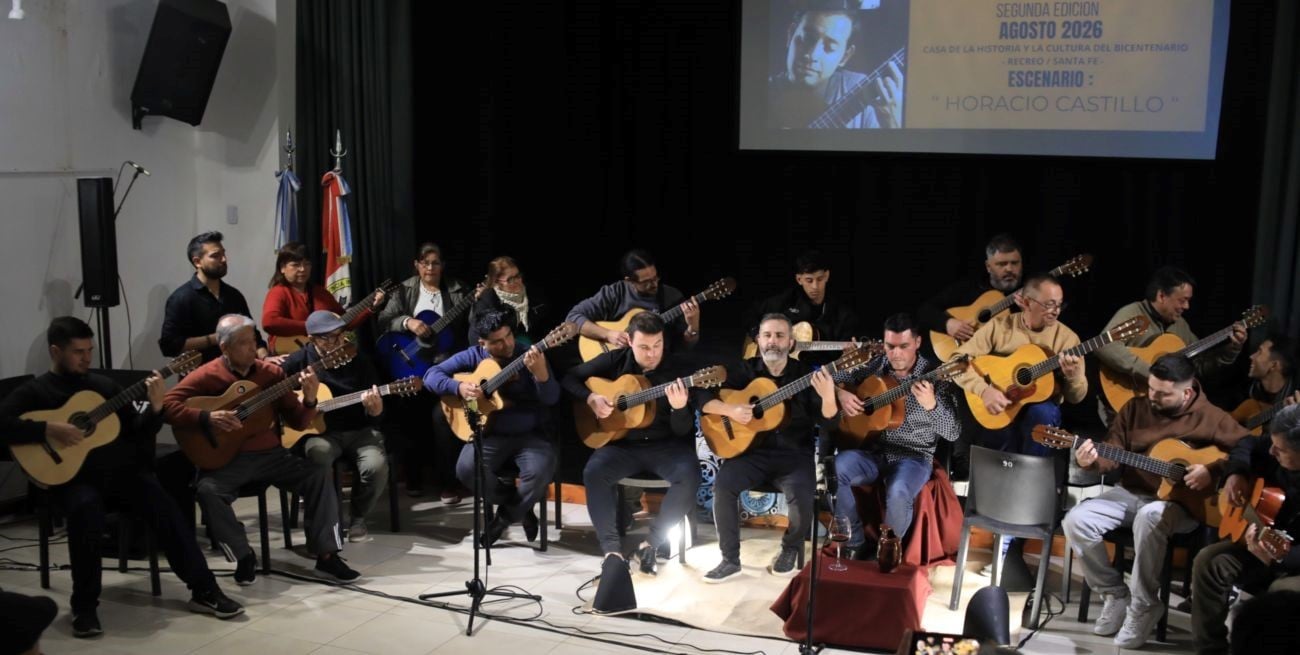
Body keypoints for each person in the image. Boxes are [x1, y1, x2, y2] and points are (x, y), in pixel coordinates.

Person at [0, 317, 242, 638]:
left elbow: (136, 432)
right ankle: (84, 608)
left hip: (119, 476)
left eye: (90, 350)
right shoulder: (36, 391)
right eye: (78, 352)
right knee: (85, 511)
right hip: (70, 481)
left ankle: (204, 590)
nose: (87, 358)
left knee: (166, 506)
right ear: (55, 351)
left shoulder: (103, 387)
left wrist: (155, 410)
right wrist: (47, 428)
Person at [1062, 355, 1249, 649]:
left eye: (1163, 393)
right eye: (1151, 388)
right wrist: (1091, 460)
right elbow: (1113, 450)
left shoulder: (1212, 418)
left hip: (1184, 506)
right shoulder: (1135, 408)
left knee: (1150, 515)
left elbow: (1248, 448)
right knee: (1076, 520)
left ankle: (1144, 605)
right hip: (1130, 493)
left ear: (1187, 392)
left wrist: (1211, 470)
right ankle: (1114, 592)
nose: (1153, 397)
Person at [162, 314, 359, 584]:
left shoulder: (272, 374)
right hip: (227, 458)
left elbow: (298, 421)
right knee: (207, 491)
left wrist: (310, 398)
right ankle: (243, 556)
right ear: (224, 348)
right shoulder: (206, 375)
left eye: (253, 341)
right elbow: (167, 405)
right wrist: (207, 418)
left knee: (318, 475)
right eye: (243, 343)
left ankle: (327, 556)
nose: (252, 348)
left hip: (271, 455)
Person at [699, 313, 840, 582]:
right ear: (759, 340)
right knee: (723, 487)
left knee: (802, 503)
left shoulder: (806, 377)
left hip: (793, 456)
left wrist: (828, 397)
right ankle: (730, 559)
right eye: (767, 336)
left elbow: (829, 424)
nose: (772, 342)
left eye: (779, 336)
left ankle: (790, 548)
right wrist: (731, 409)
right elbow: (702, 396)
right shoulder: (744, 370)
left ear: (791, 342)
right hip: (750, 453)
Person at [562, 312, 701, 574]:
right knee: (594, 472)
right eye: (644, 347)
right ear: (630, 342)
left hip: (665, 446)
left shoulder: (677, 370)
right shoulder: (616, 359)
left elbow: (682, 430)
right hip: (623, 445)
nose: (652, 354)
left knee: (691, 475)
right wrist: (591, 397)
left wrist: (680, 409)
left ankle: (651, 543)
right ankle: (611, 550)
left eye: (657, 345)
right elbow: (569, 378)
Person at [424, 310, 559, 547]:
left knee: (539, 473)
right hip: (489, 434)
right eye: (497, 341)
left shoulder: (528, 355)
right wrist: (459, 388)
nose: (506, 344)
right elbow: (430, 376)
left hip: (530, 434)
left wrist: (541, 375)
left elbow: (552, 399)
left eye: (508, 336)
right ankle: (521, 508)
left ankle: (503, 518)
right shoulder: (473, 355)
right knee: (466, 469)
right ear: (482, 344)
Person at [833, 313, 959, 559]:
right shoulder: (877, 364)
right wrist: (840, 393)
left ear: (918, 343)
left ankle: (888, 550)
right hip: (874, 451)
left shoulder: (937, 376)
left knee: (899, 490)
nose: (896, 353)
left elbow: (953, 433)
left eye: (904, 346)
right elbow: (836, 378)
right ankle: (854, 542)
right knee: (838, 467)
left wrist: (932, 405)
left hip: (914, 456)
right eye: (890, 346)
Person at [375, 242, 472, 502]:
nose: (430, 267)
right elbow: (384, 320)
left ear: (443, 265)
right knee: (410, 420)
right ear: (416, 265)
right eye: (425, 262)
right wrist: (409, 321)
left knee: (444, 420)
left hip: (445, 366)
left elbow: (470, 327)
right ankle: (414, 476)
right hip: (411, 365)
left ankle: (448, 483)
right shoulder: (405, 289)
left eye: (435, 262)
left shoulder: (459, 290)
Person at [281, 311, 389, 542]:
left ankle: (358, 518)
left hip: (358, 430)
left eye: (339, 336)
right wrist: (304, 404)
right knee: (317, 458)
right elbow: (275, 400)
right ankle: (327, 519)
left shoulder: (359, 360)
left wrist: (375, 411)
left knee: (376, 466)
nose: (336, 343)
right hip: (319, 434)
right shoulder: (297, 362)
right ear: (311, 339)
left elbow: (377, 415)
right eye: (327, 338)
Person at [1094, 266, 1245, 421]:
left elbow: (1199, 367)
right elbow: (1103, 345)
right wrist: (1150, 373)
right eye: (1182, 300)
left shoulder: (1180, 326)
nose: (1187, 307)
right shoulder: (1133, 313)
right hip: (1124, 408)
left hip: (1159, 413)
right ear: (1161, 296)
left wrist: (1230, 351)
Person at [767, 0, 903, 129]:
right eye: (808, 38)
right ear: (790, 35)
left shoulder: (861, 89)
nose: (813, 55)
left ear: (845, 56)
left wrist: (893, 124)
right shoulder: (757, 94)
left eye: (830, 47)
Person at [159, 231, 268, 363]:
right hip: (201, 376)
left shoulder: (234, 295)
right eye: (216, 256)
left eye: (223, 253)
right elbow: (169, 345)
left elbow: (254, 335)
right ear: (197, 262)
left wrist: (265, 358)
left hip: (238, 373)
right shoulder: (181, 298)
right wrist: (217, 338)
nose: (223, 259)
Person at [261, 242, 385, 352]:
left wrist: (371, 308)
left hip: (322, 354)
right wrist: (311, 327)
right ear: (282, 268)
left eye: (307, 264)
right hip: (293, 354)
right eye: (295, 265)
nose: (303, 269)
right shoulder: (278, 292)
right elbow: (269, 322)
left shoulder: (320, 292)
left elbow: (343, 322)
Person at [742, 250, 859, 365]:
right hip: (777, 368)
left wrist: (847, 355)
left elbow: (841, 358)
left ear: (827, 276)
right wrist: (758, 335)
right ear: (799, 279)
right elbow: (751, 313)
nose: (815, 286)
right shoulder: (788, 299)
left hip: (815, 372)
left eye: (820, 279)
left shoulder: (843, 315)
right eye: (809, 280)